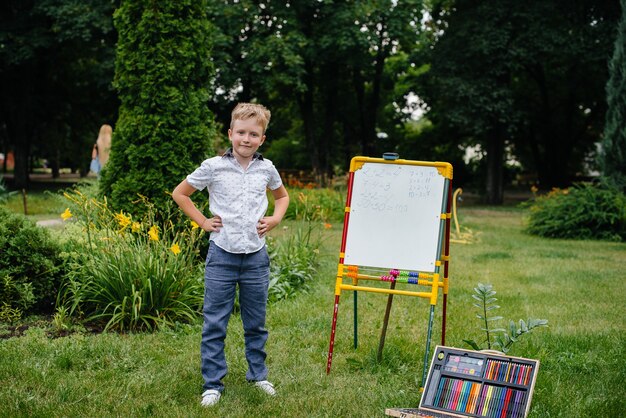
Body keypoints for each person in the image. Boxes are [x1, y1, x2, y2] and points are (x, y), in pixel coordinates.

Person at [172, 103, 289, 407]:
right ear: (230, 133)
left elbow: (282, 196)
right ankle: (213, 383)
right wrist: (202, 221)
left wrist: (275, 219)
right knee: (215, 322)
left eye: (253, 134)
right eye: (241, 133)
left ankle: (258, 375)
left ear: (262, 139)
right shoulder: (213, 166)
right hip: (222, 254)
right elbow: (180, 193)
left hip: (255, 257)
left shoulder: (267, 168)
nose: (246, 139)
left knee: (256, 322)